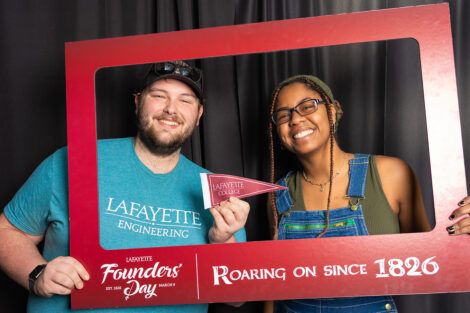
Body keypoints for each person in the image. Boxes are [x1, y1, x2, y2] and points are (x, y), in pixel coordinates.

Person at [0, 61, 249, 313]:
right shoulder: (73, 160)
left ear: (199, 115)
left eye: (185, 100)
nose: (171, 109)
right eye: (159, 96)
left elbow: (237, 297)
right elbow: (7, 231)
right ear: (138, 102)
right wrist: (37, 275)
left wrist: (222, 240)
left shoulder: (217, 192)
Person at [264, 74, 469, 313]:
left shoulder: (391, 174)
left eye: (307, 106)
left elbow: (432, 262)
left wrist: (462, 241)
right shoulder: (277, 193)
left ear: (332, 112)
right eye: (283, 115)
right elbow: (273, 282)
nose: (296, 119)